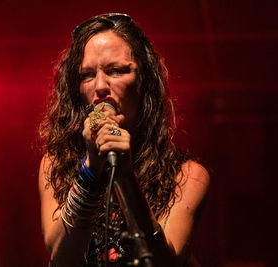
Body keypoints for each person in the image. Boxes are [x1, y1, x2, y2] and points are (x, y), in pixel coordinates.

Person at [38, 13, 209, 267]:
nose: (99, 86)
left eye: (116, 71)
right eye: (86, 75)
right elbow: (61, 258)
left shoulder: (187, 176)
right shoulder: (55, 165)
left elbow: (165, 262)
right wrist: (91, 169)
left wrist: (126, 176)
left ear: (144, 82)